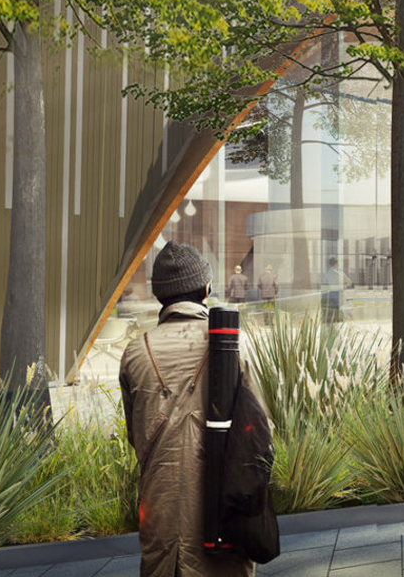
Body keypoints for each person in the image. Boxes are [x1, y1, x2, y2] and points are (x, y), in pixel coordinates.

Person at [120, 242, 267, 577]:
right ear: (206, 288)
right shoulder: (234, 344)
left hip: (161, 514)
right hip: (226, 515)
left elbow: (135, 435)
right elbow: (259, 431)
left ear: (159, 295)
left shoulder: (135, 352)